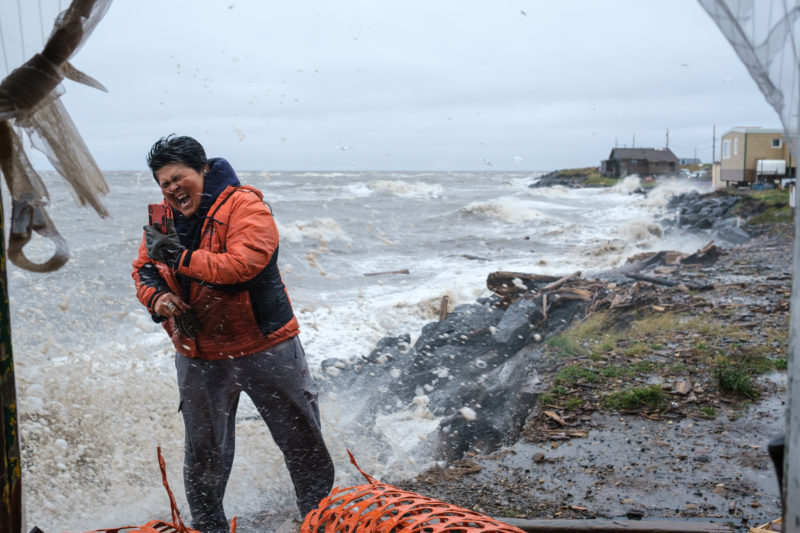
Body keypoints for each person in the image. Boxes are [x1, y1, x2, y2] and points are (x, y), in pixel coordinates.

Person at [131, 135, 334, 533]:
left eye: (178, 177)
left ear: (203, 169)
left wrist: (179, 258)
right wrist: (158, 300)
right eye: (163, 183)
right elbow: (144, 269)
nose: (171, 189)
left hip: (265, 345)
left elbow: (242, 267)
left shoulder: (246, 205)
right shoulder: (162, 218)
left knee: (302, 443)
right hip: (198, 353)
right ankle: (210, 529)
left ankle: (317, 520)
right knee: (203, 456)